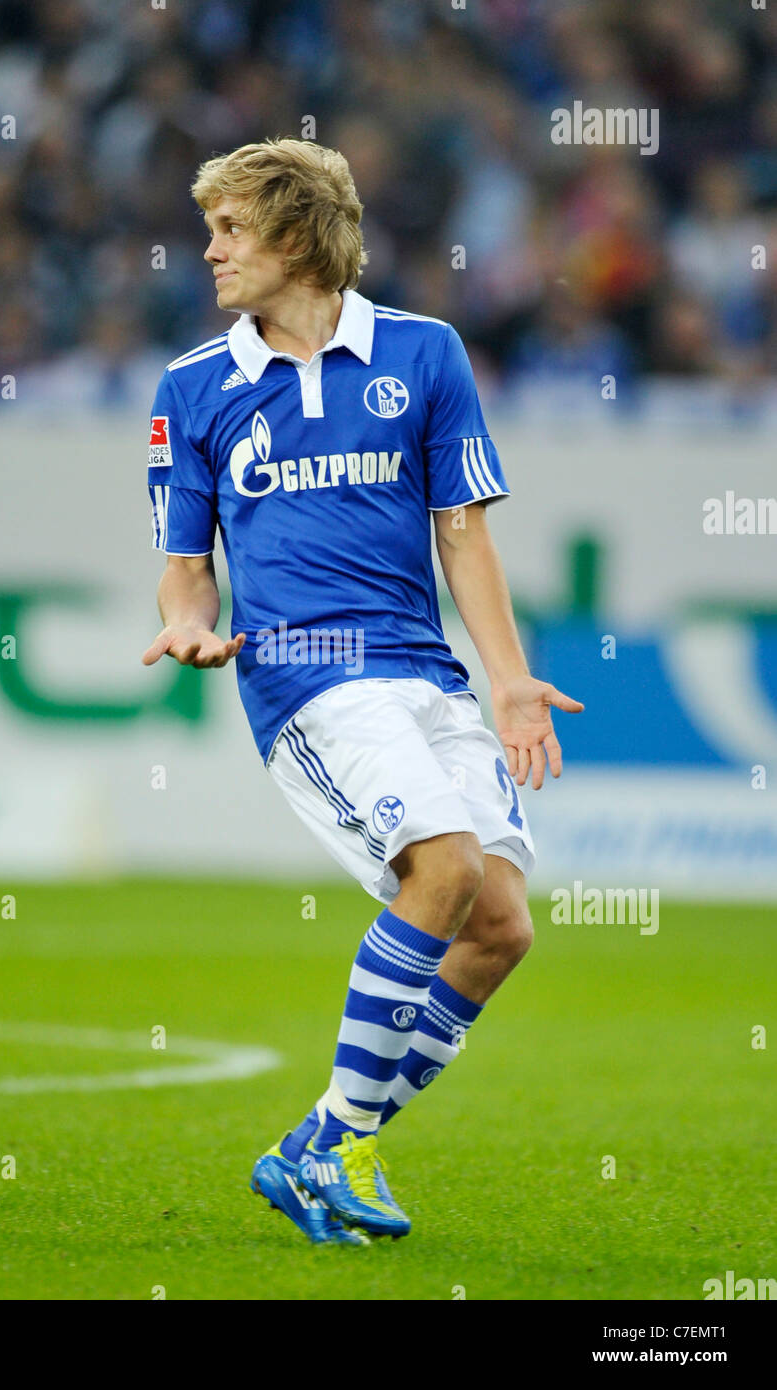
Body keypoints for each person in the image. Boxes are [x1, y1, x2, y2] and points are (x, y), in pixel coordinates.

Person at [142, 138, 583, 1245]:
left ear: (295, 234)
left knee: (499, 925)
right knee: (442, 867)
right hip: (303, 673)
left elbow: (462, 532)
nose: (210, 251)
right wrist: (187, 625)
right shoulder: (193, 387)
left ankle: (313, 1144)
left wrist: (510, 677)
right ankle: (342, 1145)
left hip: (423, 674)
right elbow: (185, 562)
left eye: (230, 228)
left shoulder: (424, 355)